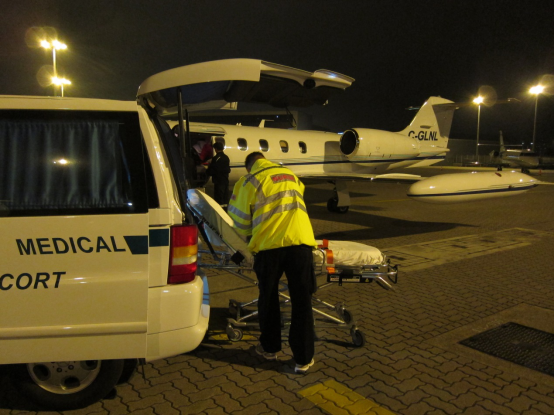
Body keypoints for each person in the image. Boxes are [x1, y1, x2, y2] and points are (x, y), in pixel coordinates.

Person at [228, 152, 317, 374]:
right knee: (302, 302)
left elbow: (239, 222)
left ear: (249, 166)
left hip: (269, 248)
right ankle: (303, 359)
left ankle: (270, 348)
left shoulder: (248, 181)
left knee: (268, 298)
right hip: (300, 243)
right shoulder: (291, 175)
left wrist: (245, 242)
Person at [206, 141, 231, 206]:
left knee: (219, 198)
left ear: (216, 149)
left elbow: (212, 170)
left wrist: (207, 170)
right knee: (225, 197)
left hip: (218, 181)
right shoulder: (226, 157)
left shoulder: (215, 158)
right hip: (225, 180)